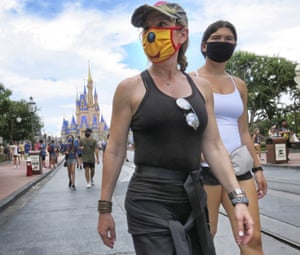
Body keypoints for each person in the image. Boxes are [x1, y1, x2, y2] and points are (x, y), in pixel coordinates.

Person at [97, 3, 254, 255]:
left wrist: (238, 198)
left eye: (160, 25)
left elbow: (213, 145)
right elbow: (115, 149)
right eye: (147, 27)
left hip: (192, 197)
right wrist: (104, 209)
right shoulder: (130, 88)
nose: (151, 33)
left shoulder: (201, 89)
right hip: (148, 199)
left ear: (182, 34)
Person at [191, 20, 268, 255]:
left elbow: (243, 130)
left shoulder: (239, 85)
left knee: (251, 236)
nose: (223, 43)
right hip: (206, 169)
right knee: (206, 235)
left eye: (229, 40)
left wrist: (258, 168)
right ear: (204, 45)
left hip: (239, 167)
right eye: (217, 39)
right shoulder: (190, 80)